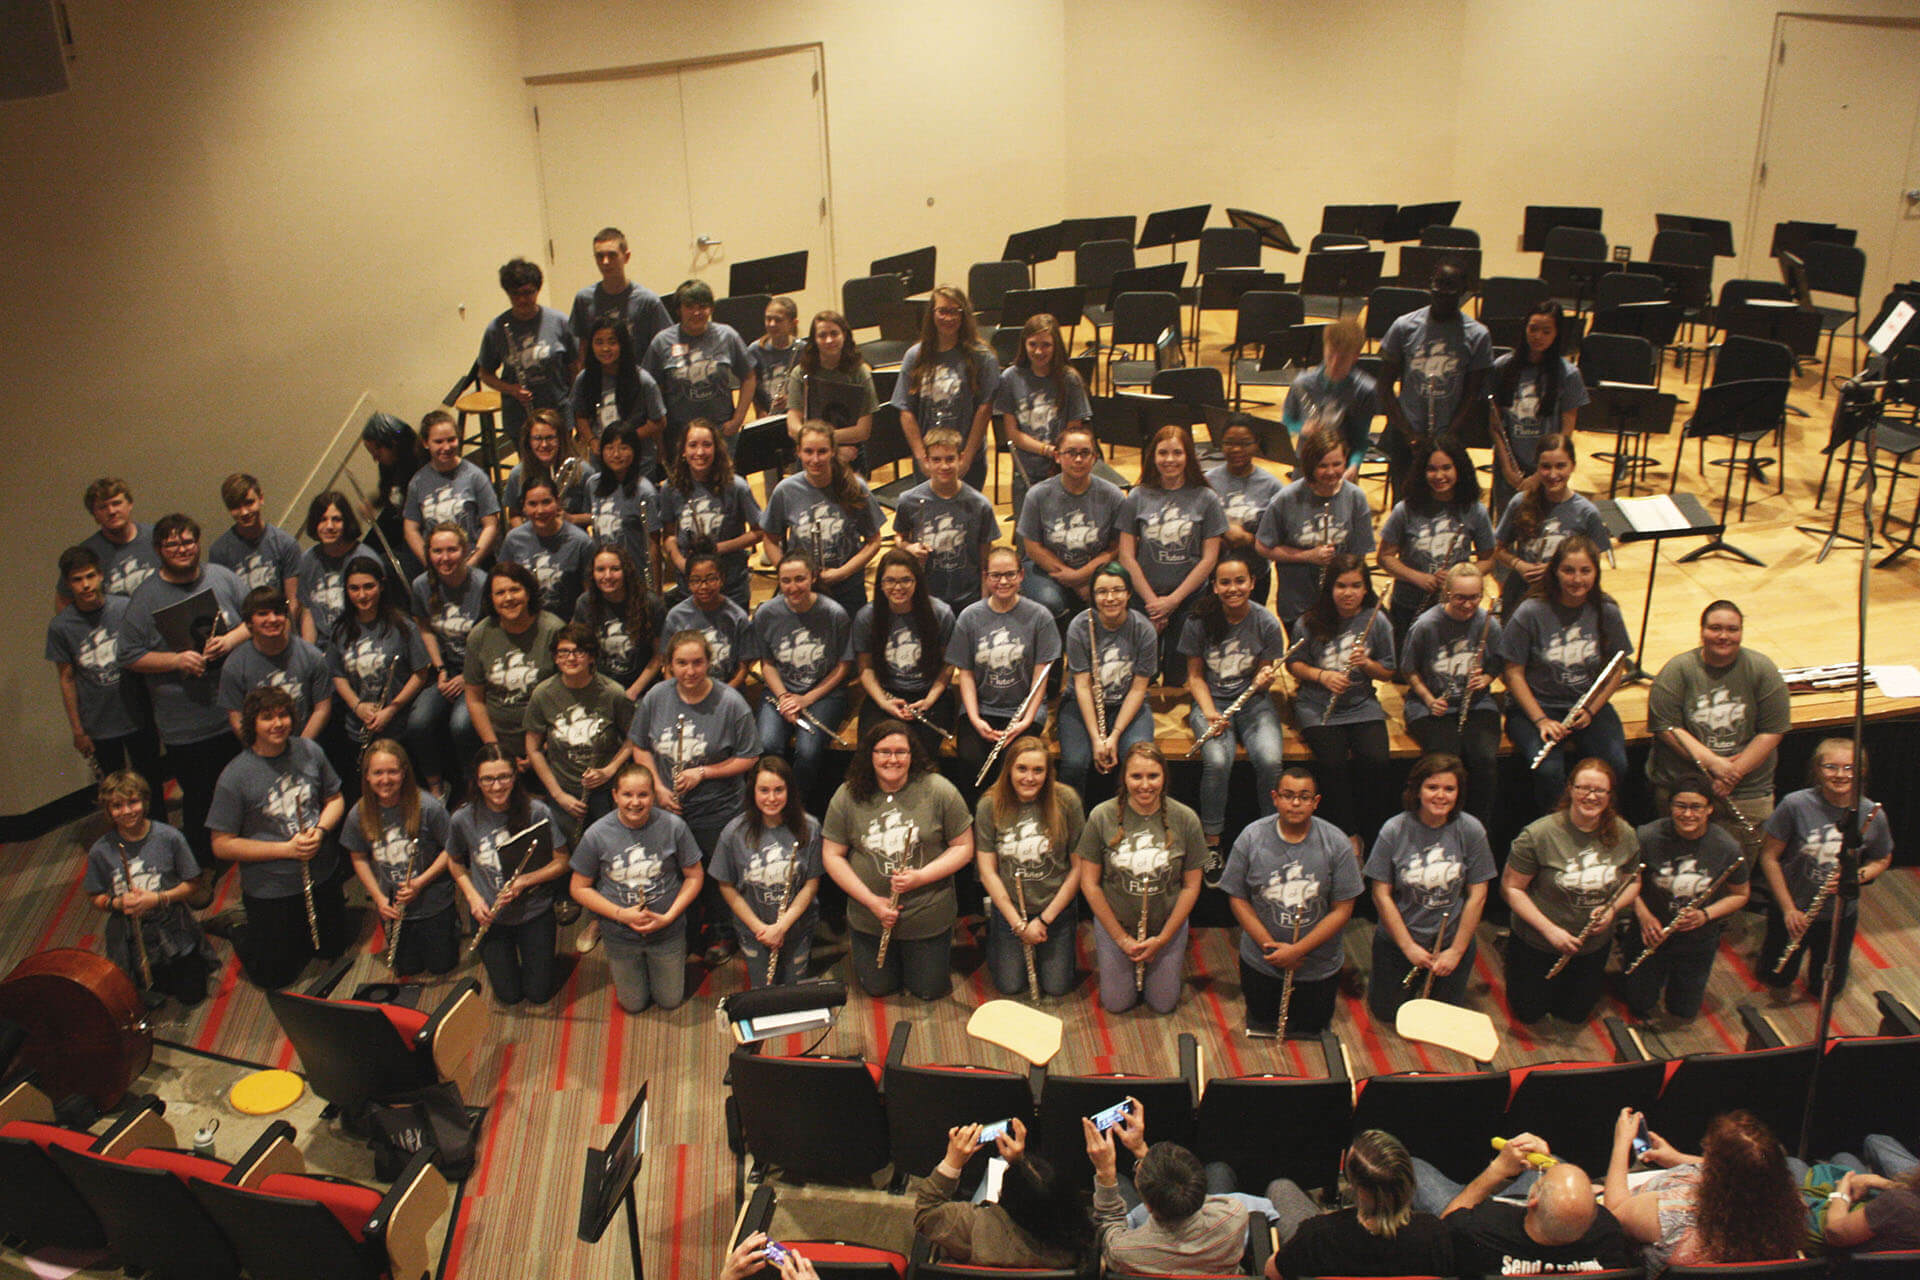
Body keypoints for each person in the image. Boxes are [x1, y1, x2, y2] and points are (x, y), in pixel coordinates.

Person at [120, 514, 251, 879]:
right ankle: (203, 867)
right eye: (173, 544)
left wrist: (231, 640)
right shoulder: (145, 598)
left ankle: (248, 851)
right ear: (159, 550)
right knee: (198, 799)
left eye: (188, 541)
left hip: (233, 710)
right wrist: (175, 659)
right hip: (184, 721)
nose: (182, 549)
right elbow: (128, 655)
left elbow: (255, 619)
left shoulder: (222, 577)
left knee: (242, 787)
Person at [627, 629, 761, 961]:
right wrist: (657, 786)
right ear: (669, 665)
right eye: (681, 663)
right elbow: (640, 746)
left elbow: (750, 756)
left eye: (697, 663)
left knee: (717, 874)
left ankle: (722, 931)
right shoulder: (657, 697)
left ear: (709, 663)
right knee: (673, 872)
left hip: (716, 809)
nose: (690, 671)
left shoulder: (731, 703)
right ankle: (682, 930)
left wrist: (705, 772)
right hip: (667, 808)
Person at [207, 686, 349, 989]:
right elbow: (221, 844)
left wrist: (321, 830)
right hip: (271, 885)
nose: (278, 723)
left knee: (333, 949)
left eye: (283, 714)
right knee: (275, 977)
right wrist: (285, 849)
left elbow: (335, 799)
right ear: (252, 724)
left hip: (319, 872)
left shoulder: (309, 751)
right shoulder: (235, 776)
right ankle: (237, 926)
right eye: (267, 717)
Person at [821, 720, 974, 1000]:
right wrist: (871, 901)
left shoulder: (940, 790)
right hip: (870, 916)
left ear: (912, 754)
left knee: (927, 991)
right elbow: (832, 855)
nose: (893, 759)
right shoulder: (847, 795)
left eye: (900, 752)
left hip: (927, 914)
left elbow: (964, 847)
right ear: (870, 754)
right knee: (878, 988)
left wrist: (921, 877)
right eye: (884, 751)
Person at [1221, 766, 1362, 1037]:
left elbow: (1343, 909)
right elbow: (1237, 897)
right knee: (1261, 1025)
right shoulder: (1251, 837)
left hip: (1317, 964)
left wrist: (1297, 951)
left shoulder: (1337, 843)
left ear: (1316, 802)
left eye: (1304, 796)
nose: (1295, 803)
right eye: (1287, 795)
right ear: (1274, 797)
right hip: (1263, 959)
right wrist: (1271, 948)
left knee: (1312, 1031)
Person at [1497, 534, 1632, 812]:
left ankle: (1600, 825)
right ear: (1555, 571)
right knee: (1549, 771)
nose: (1577, 579)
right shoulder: (1531, 611)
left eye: (1585, 571)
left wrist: (1592, 710)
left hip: (1586, 706)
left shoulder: (1606, 610)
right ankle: (1557, 831)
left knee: (1614, 763)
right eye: (1568, 570)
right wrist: (1542, 720)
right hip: (1537, 707)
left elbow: (1616, 667)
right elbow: (1513, 673)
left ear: (1596, 573)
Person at [1501, 759, 1641, 1024]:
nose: (1591, 796)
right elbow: (1512, 889)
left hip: (1592, 944)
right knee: (1528, 1014)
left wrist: (1612, 910)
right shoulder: (1538, 834)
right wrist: (1550, 930)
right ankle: (1509, 952)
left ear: (1610, 796)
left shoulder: (1625, 833)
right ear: (1570, 789)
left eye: (1599, 791)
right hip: (1538, 940)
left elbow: (1632, 883)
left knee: (1574, 1016)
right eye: (1583, 788)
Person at [1648, 600, 1790, 855]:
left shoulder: (1763, 669)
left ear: (1741, 633)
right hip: (1685, 786)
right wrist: (1715, 764)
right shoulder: (1677, 670)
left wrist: (1734, 772)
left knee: (1737, 870)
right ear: (1701, 631)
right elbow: (1666, 727)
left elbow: (1773, 730)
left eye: (1732, 629)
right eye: (1715, 628)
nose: (1724, 636)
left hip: (1748, 787)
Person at [1077, 743, 1208, 1015]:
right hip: (1117, 923)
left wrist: (1162, 939)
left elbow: (1191, 886)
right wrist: (1122, 939)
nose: (1145, 785)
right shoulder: (1102, 816)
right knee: (1116, 1004)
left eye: (1153, 776)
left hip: (1165, 926)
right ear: (1124, 778)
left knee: (1163, 1004)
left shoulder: (1186, 818)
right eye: (1136, 776)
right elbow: (1089, 884)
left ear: (1165, 777)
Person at [1758, 738, 1893, 1000]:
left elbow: (1882, 859)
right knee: (1775, 977)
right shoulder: (1795, 805)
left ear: (1861, 771)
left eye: (1849, 768)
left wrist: (1856, 875)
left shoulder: (1871, 814)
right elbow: (1769, 857)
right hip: (1793, 905)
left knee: (1826, 989)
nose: (1840, 775)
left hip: (1839, 913)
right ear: (1817, 769)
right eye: (1831, 766)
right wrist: (1787, 909)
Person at [1364, 754, 1495, 1022]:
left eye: (1449, 789)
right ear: (1417, 790)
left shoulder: (1471, 830)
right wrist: (1408, 946)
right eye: (1432, 787)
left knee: (1440, 1019)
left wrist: (1456, 951)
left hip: (1449, 941)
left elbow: (1478, 894)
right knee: (1387, 1014)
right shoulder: (1394, 829)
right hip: (1401, 939)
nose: (1441, 796)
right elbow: (1381, 894)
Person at [569, 761, 704, 1013]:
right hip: (620, 934)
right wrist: (621, 914)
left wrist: (669, 916)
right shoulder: (596, 834)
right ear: (615, 796)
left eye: (643, 794)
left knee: (670, 1000)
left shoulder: (674, 827)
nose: (635, 802)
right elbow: (578, 888)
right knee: (633, 1004)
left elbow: (695, 876)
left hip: (667, 930)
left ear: (653, 795)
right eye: (627, 795)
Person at [1605, 1108, 1807, 1271]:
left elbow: (1612, 1216)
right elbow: (1745, 1172)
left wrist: (1621, 1143)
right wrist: (1676, 1158)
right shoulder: (1791, 1206)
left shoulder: (1669, 1213)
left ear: (1714, 1171)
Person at [1621, 776, 1751, 1026]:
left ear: (1710, 809)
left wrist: (1706, 915)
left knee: (1684, 1011)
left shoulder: (1726, 847)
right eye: (1681, 806)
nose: (1688, 814)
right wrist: (1644, 916)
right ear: (1670, 807)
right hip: (1651, 931)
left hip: (1698, 937)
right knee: (1639, 1003)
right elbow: (1626, 883)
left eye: (1696, 807)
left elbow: (1740, 894)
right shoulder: (1647, 836)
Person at [1183, 553, 1289, 855]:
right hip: (1211, 701)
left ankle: (1271, 833)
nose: (1233, 588)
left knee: (1270, 761)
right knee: (1217, 762)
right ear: (1214, 586)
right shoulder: (1199, 621)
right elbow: (1195, 676)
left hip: (1254, 702)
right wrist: (1209, 712)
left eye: (1240, 581)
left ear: (1253, 583)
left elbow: (1264, 674)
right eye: (1225, 582)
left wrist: (1264, 678)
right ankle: (1212, 841)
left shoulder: (1266, 622)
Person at [1286, 556, 1395, 849]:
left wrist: (1367, 664)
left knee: (1376, 762)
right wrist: (1322, 676)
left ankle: (1373, 833)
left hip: (1361, 704)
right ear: (1330, 588)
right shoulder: (1309, 620)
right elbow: (1293, 665)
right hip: (1317, 706)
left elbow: (1387, 672)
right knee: (1332, 766)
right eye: (1341, 586)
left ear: (1366, 588)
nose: (1348, 593)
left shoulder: (1378, 621)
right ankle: (1347, 836)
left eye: (1356, 586)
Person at [1415, 1132, 1635, 1276]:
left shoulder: (1480, 1231)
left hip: (1465, 1210)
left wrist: (1498, 1170)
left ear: (1532, 1201)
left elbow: (1447, 1228)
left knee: (1412, 1168)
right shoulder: (1608, 1232)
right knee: (1558, 1159)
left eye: (1544, 1178)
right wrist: (1549, 1161)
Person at [448, 745, 569, 1006]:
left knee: (538, 994)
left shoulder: (537, 812)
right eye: (487, 779)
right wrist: (472, 897)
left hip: (534, 912)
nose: (496, 786)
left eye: (504, 777)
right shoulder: (463, 818)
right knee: (509, 996)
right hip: (490, 914)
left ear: (515, 777)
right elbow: (455, 862)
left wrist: (525, 880)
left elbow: (561, 862)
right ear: (477, 781)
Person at [86, 770, 213, 1006]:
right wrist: (117, 903)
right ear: (108, 810)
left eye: (132, 802)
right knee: (143, 998)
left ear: (144, 801)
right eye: (117, 806)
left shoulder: (170, 837)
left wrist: (158, 898)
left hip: (172, 925)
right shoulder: (100, 851)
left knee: (192, 996)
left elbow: (193, 884)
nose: (126, 811)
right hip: (131, 934)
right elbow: (94, 895)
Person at [1085, 1096, 1251, 1274]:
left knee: (1119, 1179)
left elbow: (1109, 1226)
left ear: (1146, 1207)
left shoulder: (1126, 1252)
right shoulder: (1233, 1216)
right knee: (1219, 1170)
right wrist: (1139, 1148)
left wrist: (1105, 1174)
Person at [47, 545, 162, 801]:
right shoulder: (61, 626)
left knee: (150, 779)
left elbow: (147, 654)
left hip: (137, 712)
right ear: (68, 584)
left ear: (100, 575)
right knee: (114, 789)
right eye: (77, 580)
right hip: (99, 722)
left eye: (90, 576)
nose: (85, 585)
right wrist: (78, 730)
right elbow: (66, 678)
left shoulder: (124, 608)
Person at [976, 737, 1085, 998]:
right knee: (1010, 986)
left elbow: (1079, 869)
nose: (1029, 778)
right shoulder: (989, 804)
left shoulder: (1066, 800)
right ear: (1009, 769)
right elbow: (987, 871)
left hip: (1055, 908)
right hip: (1011, 910)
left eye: (1038, 770)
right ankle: (996, 935)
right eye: (1022, 769)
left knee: (1057, 988)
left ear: (1048, 773)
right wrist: (1018, 924)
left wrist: (1045, 919)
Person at [1263, 1130, 1452, 1280]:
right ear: (1408, 1180)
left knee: (1281, 1187)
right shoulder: (1434, 1233)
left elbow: (1272, 1272)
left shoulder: (1317, 1235)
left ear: (1355, 1187)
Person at [1118, 424, 1227, 681]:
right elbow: (1126, 555)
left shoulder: (1206, 498)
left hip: (1188, 598)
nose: (1169, 460)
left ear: (1188, 456)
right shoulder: (1137, 497)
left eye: (1177, 453)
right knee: (1144, 671)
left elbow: (1209, 558)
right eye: (1163, 453)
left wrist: (1173, 601)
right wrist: (1153, 603)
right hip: (1145, 597)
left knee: (1178, 675)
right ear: (1152, 457)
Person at [946, 547, 1061, 789]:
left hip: (1024, 711)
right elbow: (965, 673)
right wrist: (975, 718)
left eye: (1010, 574)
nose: (1003, 581)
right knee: (971, 760)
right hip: (982, 709)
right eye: (996, 575)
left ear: (1021, 575)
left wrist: (1026, 720)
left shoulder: (1040, 617)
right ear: (986, 577)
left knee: (1018, 764)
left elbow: (1041, 678)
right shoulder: (969, 617)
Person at [342, 740, 457, 978]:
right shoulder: (360, 812)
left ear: (404, 773)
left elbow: (451, 849)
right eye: (378, 773)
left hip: (433, 900)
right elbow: (359, 857)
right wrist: (378, 898)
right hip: (393, 905)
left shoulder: (428, 807)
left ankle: (451, 925)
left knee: (441, 966)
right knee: (408, 968)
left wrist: (420, 882)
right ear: (367, 777)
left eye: (392, 771)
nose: (386, 779)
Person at [1400, 564, 1502, 827]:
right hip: (1431, 705)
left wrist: (1487, 679)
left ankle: (1477, 828)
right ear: (1446, 594)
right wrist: (1428, 698)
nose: (1467, 605)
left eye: (1474, 597)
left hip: (1477, 703)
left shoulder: (1489, 623)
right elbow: (1408, 670)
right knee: (1446, 760)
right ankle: (1440, 824)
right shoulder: (1426, 625)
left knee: (1484, 760)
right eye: (1460, 597)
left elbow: (1499, 662)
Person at [911, 1119, 1089, 1268]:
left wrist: (952, 1162)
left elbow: (926, 1213)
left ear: (1006, 1194)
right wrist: (1022, 1166)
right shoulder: (1080, 1242)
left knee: (998, 1160)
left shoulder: (971, 1225)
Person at [710, 755, 822, 987]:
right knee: (764, 989)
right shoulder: (733, 832)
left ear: (789, 791)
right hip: (755, 929)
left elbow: (811, 884)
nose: (771, 798)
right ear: (753, 792)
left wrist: (781, 927)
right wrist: (759, 928)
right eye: (764, 790)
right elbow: (726, 886)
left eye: (779, 790)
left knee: (792, 991)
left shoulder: (810, 828)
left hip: (796, 926)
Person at [751, 552, 854, 803]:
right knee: (767, 745)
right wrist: (785, 697)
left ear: (813, 578)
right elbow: (767, 664)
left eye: (800, 579)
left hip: (824, 694)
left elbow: (843, 667)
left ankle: (796, 806)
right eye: (786, 581)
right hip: (780, 691)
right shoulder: (766, 613)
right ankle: (770, 802)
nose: (793, 587)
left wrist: (806, 699)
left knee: (807, 751)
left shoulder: (834, 614)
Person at [1378, 261, 1492, 483]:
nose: (1441, 292)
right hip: (1408, 433)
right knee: (1404, 502)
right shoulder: (1404, 326)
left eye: (1450, 287)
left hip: (1451, 435)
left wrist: (1448, 436)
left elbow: (1472, 394)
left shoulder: (1477, 335)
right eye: (1438, 284)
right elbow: (1384, 386)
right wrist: (1409, 434)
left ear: (1463, 291)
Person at [1255, 423, 1375, 633]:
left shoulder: (1355, 497)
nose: (1331, 472)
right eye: (1322, 466)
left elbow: (1360, 553)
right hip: (1297, 603)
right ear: (1310, 465)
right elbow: (1263, 547)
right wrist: (1307, 556)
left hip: (1340, 605)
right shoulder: (1286, 499)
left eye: (1337, 464)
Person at [1377, 434, 1495, 644]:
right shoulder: (1405, 510)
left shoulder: (1475, 510)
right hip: (1409, 604)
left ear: (1459, 468)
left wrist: (1457, 579)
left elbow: (1488, 559)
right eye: (1431, 469)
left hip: (1457, 608)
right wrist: (1419, 578)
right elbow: (1385, 557)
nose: (1439, 475)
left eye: (1446, 468)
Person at [329, 559, 431, 796]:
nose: (362, 595)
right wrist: (357, 706)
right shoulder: (341, 630)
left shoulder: (403, 626)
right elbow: (337, 674)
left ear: (381, 586)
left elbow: (420, 673)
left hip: (397, 726)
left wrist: (391, 709)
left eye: (368, 587)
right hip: (360, 728)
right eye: (354, 589)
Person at [525, 622, 633, 844]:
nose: (571, 658)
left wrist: (609, 770)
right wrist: (558, 795)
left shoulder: (613, 693)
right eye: (564, 652)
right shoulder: (543, 694)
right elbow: (533, 749)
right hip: (563, 791)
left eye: (579, 651)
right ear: (555, 657)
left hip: (606, 792)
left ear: (592, 656)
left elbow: (634, 738)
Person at [760, 422, 884, 617]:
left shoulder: (855, 486)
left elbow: (874, 541)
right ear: (798, 452)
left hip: (847, 587)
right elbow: (770, 539)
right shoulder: (785, 490)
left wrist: (842, 572)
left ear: (833, 452)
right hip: (803, 591)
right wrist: (790, 574)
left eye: (822, 451)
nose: (815, 459)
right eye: (808, 452)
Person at [1061, 562, 1157, 800]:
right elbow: (1082, 685)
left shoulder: (1143, 629)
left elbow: (1137, 689)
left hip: (1128, 706)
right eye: (1102, 592)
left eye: (1117, 590)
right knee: (1074, 762)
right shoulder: (1080, 627)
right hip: (1083, 706)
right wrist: (1096, 738)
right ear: (1093, 596)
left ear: (1129, 593)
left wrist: (1114, 735)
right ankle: (1070, 827)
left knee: (1139, 761)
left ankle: (1128, 823)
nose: (1110, 598)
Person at [1017, 421, 1124, 634]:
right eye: (1071, 453)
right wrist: (1073, 579)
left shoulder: (1113, 495)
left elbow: (1116, 547)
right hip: (1047, 570)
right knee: (1050, 602)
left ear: (1095, 458)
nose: (1078, 459)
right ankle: (1053, 661)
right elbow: (1032, 548)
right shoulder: (1038, 495)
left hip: (1096, 568)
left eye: (1085, 453)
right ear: (1057, 456)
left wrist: (1082, 575)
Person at [1492, 432, 1612, 617]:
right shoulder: (1520, 502)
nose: (1553, 474)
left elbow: (1595, 563)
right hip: (1521, 593)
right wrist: (1519, 565)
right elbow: (1498, 549)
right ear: (1537, 467)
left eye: (1560, 466)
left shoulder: (1587, 512)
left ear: (1573, 466)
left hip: (1565, 596)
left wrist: (1559, 570)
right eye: (1545, 467)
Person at [408, 522, 489, 793]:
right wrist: (441, 668)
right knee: (418, 723)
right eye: (437, 551)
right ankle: (436, 789)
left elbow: (494, 638)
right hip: (446, 669)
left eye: (452, 550)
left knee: (461, 724)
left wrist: (468, 677)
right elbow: (424, 628)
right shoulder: (421, 585)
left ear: (465, 550)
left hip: (480, 673)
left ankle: (471, 789)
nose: (445, 558)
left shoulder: (483, 584)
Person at [893, 283, 1000, 488]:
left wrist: (967, 457)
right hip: (929, 461)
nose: (948, 318)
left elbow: (984, 410)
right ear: (932, 314)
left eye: (954, 311)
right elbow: (905, 410)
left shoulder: (982, 357)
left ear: (964, 315)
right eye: (942, 311)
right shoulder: (915, 356)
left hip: (968, 461)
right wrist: (922, 457)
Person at [1489, 301, 1588, 513]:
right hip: (1509, 466)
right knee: (1507, 528)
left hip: (1548, 469)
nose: (1538, 336)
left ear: (1556, 334)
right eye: (1533, 329)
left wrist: (1541, 473)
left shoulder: (1568, 374)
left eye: (1546, 331)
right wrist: (1507, 468)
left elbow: (1567, 429)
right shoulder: (1502, 367)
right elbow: (1495, 424)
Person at [852, 548, 955, 752]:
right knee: (871, 751)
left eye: (906, 580)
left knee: (921, 754)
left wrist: (928, 701)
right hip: (886, 694)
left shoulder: (941, 614)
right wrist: (883, 702)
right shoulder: (867, 617)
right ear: (880, 584)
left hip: (929, 694)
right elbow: (865, 668)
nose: (898, 587)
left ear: (917, 582)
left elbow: (948, 665)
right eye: (890, 581)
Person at [892, 426, 1000, 617]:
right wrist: (908, 548)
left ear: (961, 458)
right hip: (925, 595)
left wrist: (984, 602)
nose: (944, 466)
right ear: (926, 461)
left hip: (967, 596)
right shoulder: (909, 500)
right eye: (936, 459)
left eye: (950, 459)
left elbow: (985, 560)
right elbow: (899, 538)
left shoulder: (980, 505)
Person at [463, 561, 564, 764]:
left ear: (528, 593)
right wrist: (496, 750)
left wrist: (542, 748)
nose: (508, 598)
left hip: (550, 740)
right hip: (500, 740)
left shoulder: (554, 630)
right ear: (491, 599)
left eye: (515, 590)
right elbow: (474, 699)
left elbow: (567, 694)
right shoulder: (479, 635)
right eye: (500, 593)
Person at [643, 278, 756, 458]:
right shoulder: (662, 342)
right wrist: (658, 437)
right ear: (679, 310)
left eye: (702, 307)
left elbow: (749, 376)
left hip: (722, 433)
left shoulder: (727, 336)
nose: (697, 313)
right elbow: (650, 389)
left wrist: (738, 420)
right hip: (679, 437)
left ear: (711, 309)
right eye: (689, 307)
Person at [995, 312, 1091, 518]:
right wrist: (1047, 450)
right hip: (1025, 471)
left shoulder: (1069, 379)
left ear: (1056, 345)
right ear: (1024, 345)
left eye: (1046, 345)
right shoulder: (1010, 378)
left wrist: (1058, 456)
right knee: (1026, 540)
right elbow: (1012, 432)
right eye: (1032, 344)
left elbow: (1074, 430)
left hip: (1061, 471)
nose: (1039, 351)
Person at [660, 418, 761, 608]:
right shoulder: (670, 488)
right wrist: (681, 563)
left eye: (707, 445)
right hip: (689, 588)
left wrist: (719, 548)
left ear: (716, 449)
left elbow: (760, 532)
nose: (700, 452)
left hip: (731, 587)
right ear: (683, 451)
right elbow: (668, 535)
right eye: (693, 445)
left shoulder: (736, 486)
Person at [477, 256, 577, 441]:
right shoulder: (497, 329)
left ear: (537, 290)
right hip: (520, 417)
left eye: (528, 292)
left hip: (558, 411)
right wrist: (511, 389)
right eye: (515, 294)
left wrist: (574, 406)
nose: (522, 299)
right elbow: (485, 374)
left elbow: (574, 367)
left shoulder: (559, 322)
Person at [220, 588, 331, 744]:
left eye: (278, 612)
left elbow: (322, 708)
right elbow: (236, 716)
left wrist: (301, 747)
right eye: (263, 613)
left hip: (305, 746)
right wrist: (259, 749)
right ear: (249, 622)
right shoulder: (235, 665)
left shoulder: (312, 657)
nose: (272, 619)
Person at [402, 410, 503, 570]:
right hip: (439, 565)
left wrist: (472, 563)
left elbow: (490, 525)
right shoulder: (418, 482)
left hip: (475, 565)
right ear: (426, 443)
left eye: (451, 440)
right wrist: (429, 562)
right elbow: (411, 528)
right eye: (438, 441)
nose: (446, 447)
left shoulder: (475, 476)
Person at [1279, 318, 1376, 482]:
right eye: (1330, 356)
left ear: (1356, 356)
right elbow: (1287, 422)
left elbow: (1360, 439)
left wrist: (1353, 465)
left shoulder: (1364, 390)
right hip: (1305, 466)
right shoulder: (1302, 383)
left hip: (1340, 470)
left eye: (1343, 358)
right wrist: (1302, 428)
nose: (1334, 364)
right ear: (1324, 348)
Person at [571, 313, 668, 478]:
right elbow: (580, 415)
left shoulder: (643, 380)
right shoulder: (584, 379)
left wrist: (624, 440)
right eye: (599, 342)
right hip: (601, 464)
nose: (605, 348)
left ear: (623, 345)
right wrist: (593, 441)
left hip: (639, 464)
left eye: (612, 342)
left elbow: (658, 422)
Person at [784, 308, 877, 469]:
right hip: (812, 455)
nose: (828, 340)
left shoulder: (860, 373)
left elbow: (863, 430)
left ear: (845, 336)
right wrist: (827, 449)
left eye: (834, 334)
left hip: (851, 453)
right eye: (822, 335)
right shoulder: (801, 373)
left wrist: (820, 442)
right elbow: (793, 427)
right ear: (814, 339)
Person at [1207, 420, 1285, 609]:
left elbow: (1278, 538)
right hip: (1214, 574)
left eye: (1244, 443)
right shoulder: (1207, 481)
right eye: (1229, 443)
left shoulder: (1272, 486)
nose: (1236, 449)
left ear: (1256, 444)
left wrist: (1247, 539)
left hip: (1255, 574)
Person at [297, 491, 387, 653]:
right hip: (325, 648)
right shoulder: (307, 561)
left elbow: (381, 613)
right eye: (323, 520)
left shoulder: (366, 558)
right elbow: (308, 612)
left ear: (346, 522)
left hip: (363, 644)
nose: (329, 526)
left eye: (336, 519)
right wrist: (309, 655)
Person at [582, 419, 664, 596]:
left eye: (624, 448)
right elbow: (595, 517)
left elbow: (653, 544)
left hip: (635, 579)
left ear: (635, 451)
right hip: (605, 577)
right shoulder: (592, 485)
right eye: (610, 448)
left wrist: (656, 591)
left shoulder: (644, 491)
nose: (616, 454)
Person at [568, 227, 672, 364]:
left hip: (637, 378)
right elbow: (582, 347)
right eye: (600, 256)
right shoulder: (584, 299)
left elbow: (666, 344)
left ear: (626, 257)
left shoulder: (647, 301)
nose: (605, 262)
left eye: (612, 255)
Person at [209, 472, 303, 621]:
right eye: (235, 507)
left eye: (249, 503)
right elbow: (224, 604)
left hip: (278, 624)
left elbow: (293, 602)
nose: (244, 512)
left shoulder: (285, 544)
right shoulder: (220, 551)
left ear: (261, 498)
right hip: (241, 631)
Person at [576, 543, 661, 702]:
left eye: (615, 569)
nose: (607, 576)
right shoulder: (584, 603)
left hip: (642, 690)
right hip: (600, 687)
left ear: (626, 571)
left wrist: (633, 691)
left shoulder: (650, 603)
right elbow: (582, 652)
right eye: (600, 570)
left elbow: (659, 655)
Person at [501, 477, 594, 623]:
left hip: (568, 628)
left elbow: (590, 596)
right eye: (532, 504)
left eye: (546, 502)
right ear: (523, 507)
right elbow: (502, 584)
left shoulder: (581, 542)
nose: (540, 511)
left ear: (558, 502)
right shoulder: (513, 540)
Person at [60, 477, 160, 603]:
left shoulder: (159, 536)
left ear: (130, 504)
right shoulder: (86, 554)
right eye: (102, 507)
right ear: (94, 515)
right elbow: (64, 601)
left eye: (117, 503)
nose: (111, 511)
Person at [661, 553, 754, 689]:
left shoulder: (737, 617)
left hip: (726, 691)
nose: (704, 587)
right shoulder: (676, 616)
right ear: (688, 583)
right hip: (685, 691)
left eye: (711, 579)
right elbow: (668, 667)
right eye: (696, 580)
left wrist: (722, 697)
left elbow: (742, 669)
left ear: (722, 579)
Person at [359, 412, 428, 585]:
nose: (375, 458)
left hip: (420, 527)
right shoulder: (387, 463)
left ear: (392, 443)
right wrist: (373, 503)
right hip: (398, 518)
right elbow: (387, 493)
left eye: (377, 452)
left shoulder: (421, 464)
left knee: (385, 567)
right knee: (361, 555)